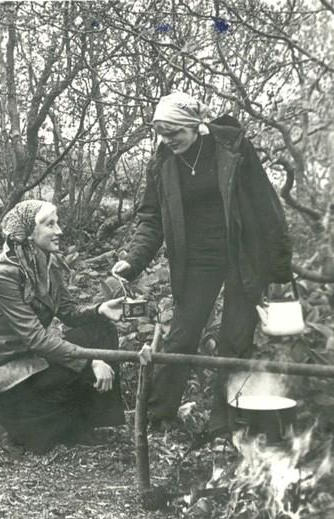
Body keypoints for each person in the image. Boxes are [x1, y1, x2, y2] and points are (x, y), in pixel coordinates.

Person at [112, 91, 292, 441]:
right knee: (182, 334)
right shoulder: (162, 162)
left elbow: (266, 207)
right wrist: (131, 261)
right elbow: (151, 219)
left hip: (243, 255)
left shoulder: (234, 148)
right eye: (161, 133)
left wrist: (280, 266)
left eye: (173, 132)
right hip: (196, 260)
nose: (167, 140)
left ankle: (224, 424)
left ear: (194, 126)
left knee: (235, 339)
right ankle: (158, 416)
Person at [0, 199, 125, 454]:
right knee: (41, 443)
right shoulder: (4, 275)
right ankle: (8, 420)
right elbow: (36, 338)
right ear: (28, 233)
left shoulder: (45, 263)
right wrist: (90, 361)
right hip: (1, 368)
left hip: (30, 359)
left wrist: (100, 309)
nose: (59, 230)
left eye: (57, 223)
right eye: (50, 224)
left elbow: (69, 312)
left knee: (101, 329)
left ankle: (84, 423)